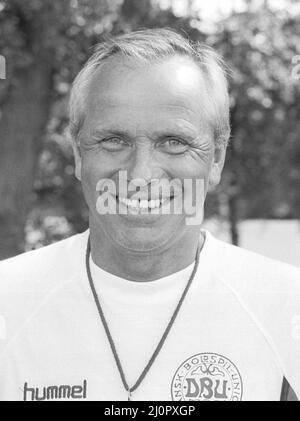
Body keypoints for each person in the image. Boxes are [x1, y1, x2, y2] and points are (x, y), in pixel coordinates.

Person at [0, 28, 299, 402]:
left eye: (174, 143)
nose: (140, 175)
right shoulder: (7, 301)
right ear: (78, 155)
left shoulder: (286, 306)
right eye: (114, 140)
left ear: (216, 159)